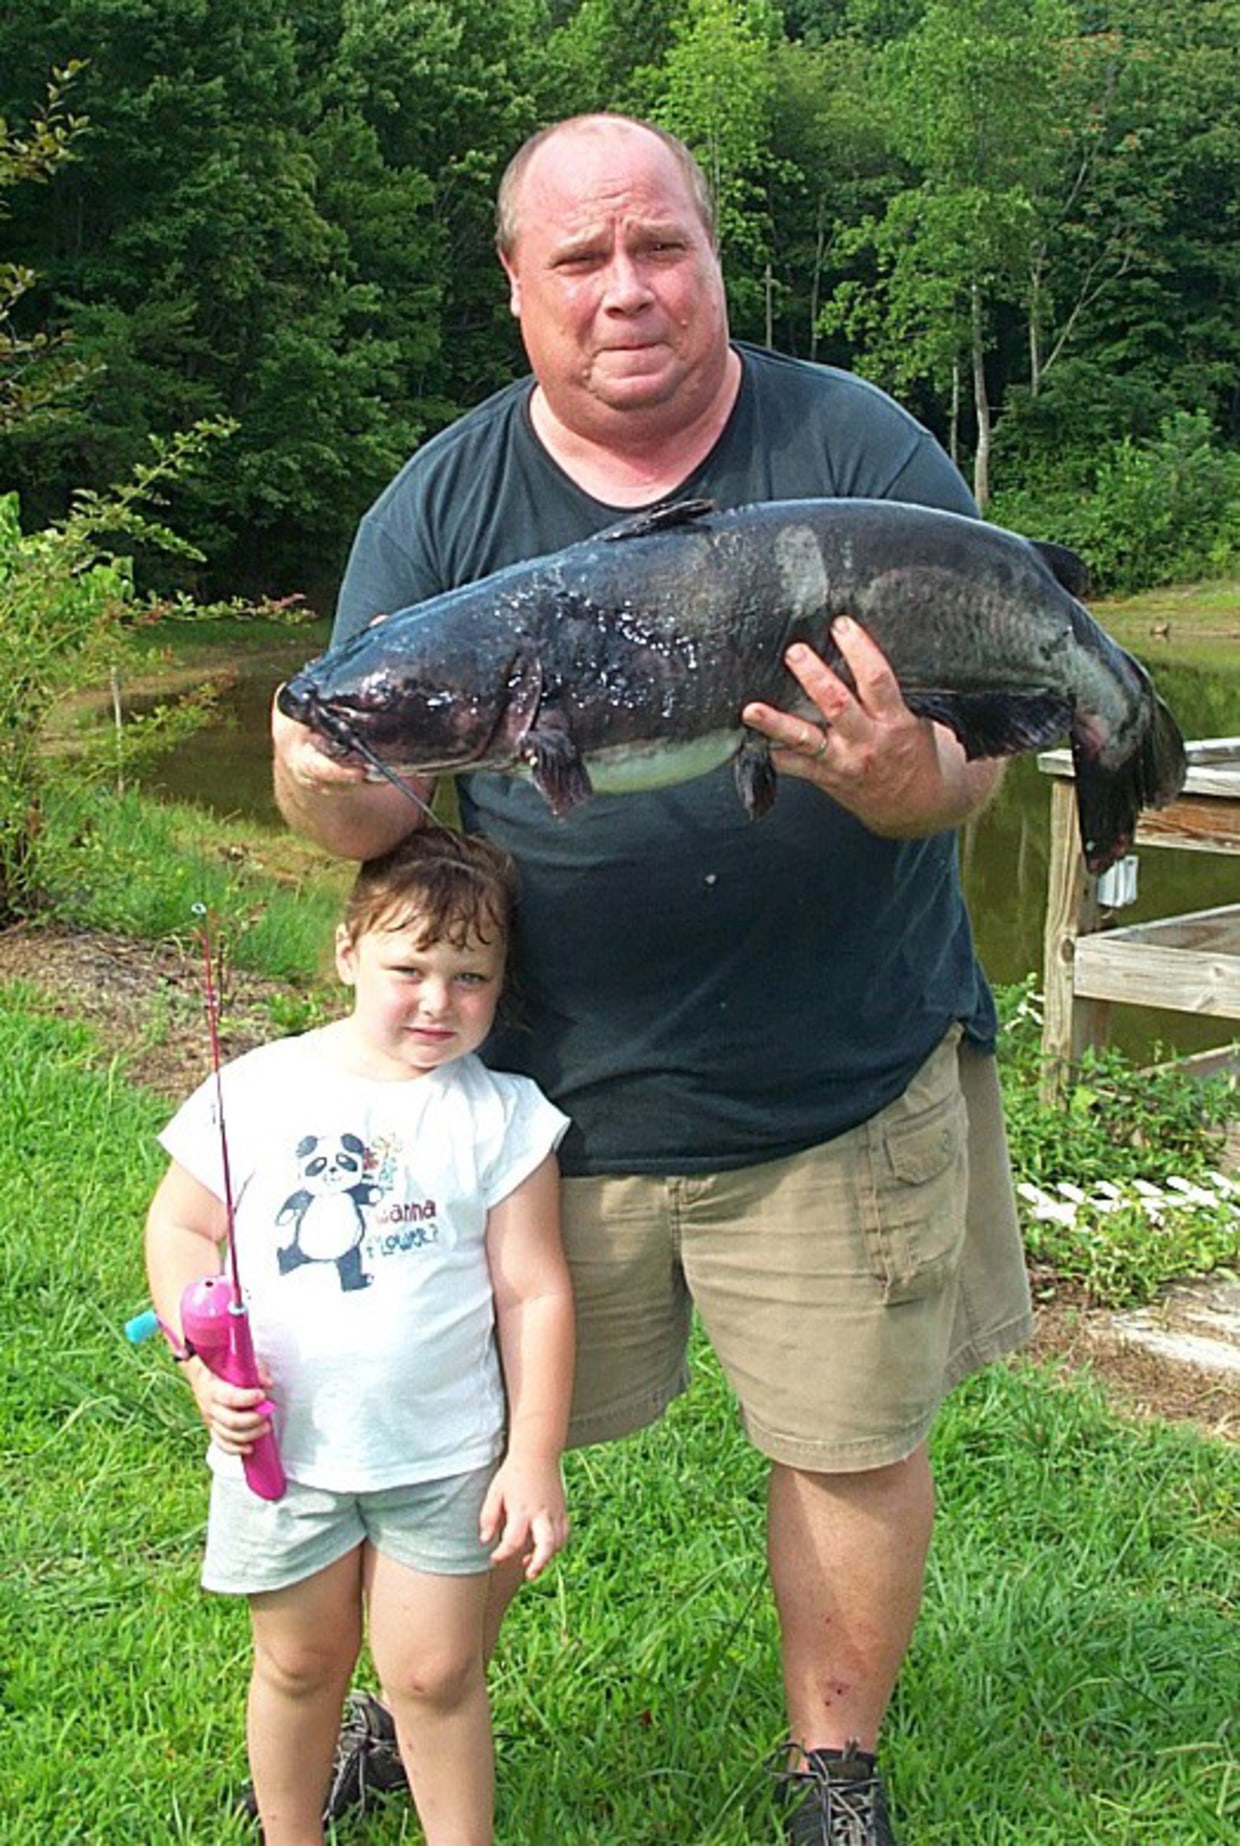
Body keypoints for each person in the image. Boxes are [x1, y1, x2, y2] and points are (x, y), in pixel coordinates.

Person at [272, 113, 1033, 1846]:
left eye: (662, 247)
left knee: (847, 1435)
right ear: (518, 290)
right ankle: (405, 1701)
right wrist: (327, 784)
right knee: (454, 1422)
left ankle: (833, 1764)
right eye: (581, 258)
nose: (629, 290)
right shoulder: (446, 504)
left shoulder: (858, 447)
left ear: (711, 252)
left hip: (838, 1069)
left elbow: (982, 752)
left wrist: (916, 782)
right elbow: (368, 778)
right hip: (532, 1094)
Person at [144, 829, 574, 1846]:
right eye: (408, 968)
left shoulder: (507, 1118)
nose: (437, 1001)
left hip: (441, 1457)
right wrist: (198, 1353)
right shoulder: (257, 1089)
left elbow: (533, 1292)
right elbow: (180, 1227)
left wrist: (535, 1453)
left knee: (435, 1672)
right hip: (279, 1453)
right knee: (298, 1662)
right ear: (345, 951)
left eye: (470, 977)